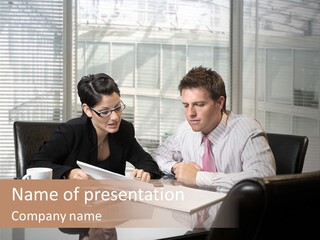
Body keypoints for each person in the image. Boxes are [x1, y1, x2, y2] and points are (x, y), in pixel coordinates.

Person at [152, 66, 276, 192]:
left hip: (235, 210)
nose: (190, 113)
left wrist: (199, 178)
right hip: (194, 208)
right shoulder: (185, 130)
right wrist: (177, 168)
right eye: (186, 105)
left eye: (199, 105)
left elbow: (263, 177)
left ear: (219, 103)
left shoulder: (246, 129)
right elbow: (157, 155)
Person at [29, 73, 162, 181]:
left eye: (117, 108)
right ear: (87, 110)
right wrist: (68, 173)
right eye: (105, 112)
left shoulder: (124, 130)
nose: (115, 117)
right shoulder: (71, 131)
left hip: (110, 204)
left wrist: (145, 172)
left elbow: (146, 161)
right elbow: (36, 164)